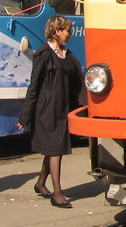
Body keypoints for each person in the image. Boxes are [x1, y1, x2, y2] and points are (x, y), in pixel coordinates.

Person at [16, 16, 84, 209]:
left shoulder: (66, 54)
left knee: (54, 148)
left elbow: (75, 79)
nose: (69, 34)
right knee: (55, 150)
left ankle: (40, 183)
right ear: (56, 32)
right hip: (47, 110)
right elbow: (34, 86)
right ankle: (58, 193)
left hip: (62, 109)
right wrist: (25, 116)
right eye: (66, 31)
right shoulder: (44, 54)